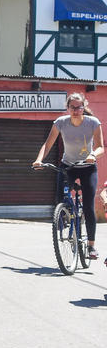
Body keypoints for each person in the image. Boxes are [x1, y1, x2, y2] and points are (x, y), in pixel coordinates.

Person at [33, 92, 104, 259]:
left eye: (79, 107)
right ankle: (65, 217)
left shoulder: (93, 123)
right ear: (67, 108)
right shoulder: (61, 122)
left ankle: (91, 246)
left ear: (84, 107)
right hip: (68, 166)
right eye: (72, 107)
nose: (76, 110)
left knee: (88, 206)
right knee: (60, 197)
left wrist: (93, 155)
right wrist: (38, 160)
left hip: (88, 167)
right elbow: (47, 144)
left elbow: (101, 147)